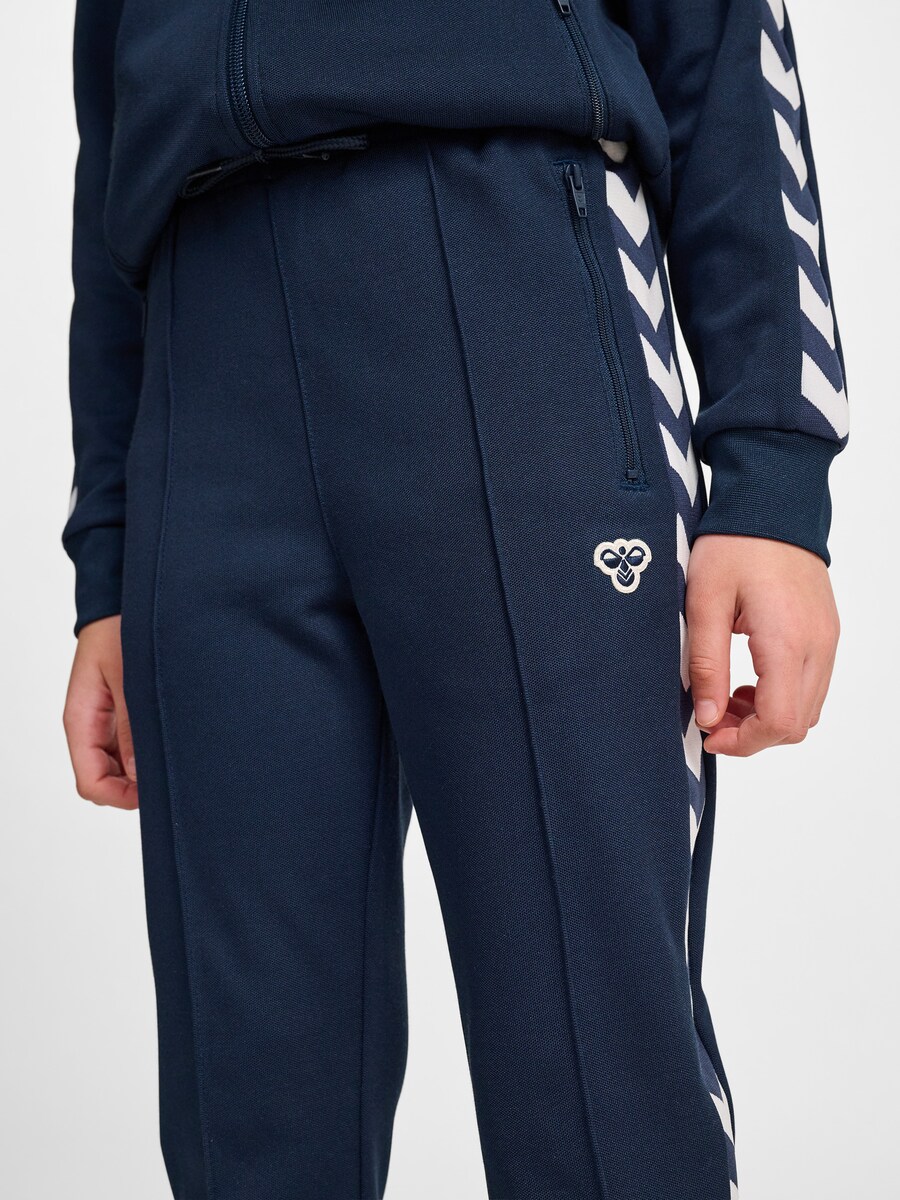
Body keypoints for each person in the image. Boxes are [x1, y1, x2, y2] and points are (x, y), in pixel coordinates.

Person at [61, 0, 845, 1196]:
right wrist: (110, 561)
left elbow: (724, 42)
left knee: (600, 1081)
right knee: (247, 1112)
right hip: (202, 359)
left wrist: (773, 469)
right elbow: (109, 144)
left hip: (508, 285)